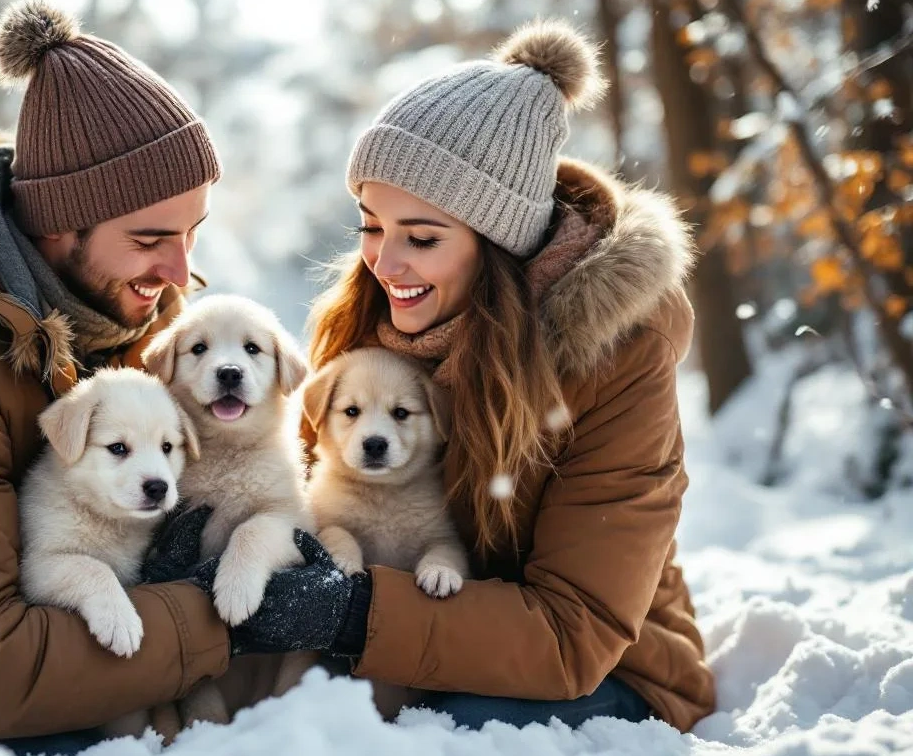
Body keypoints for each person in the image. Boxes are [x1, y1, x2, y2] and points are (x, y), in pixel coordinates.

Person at [0, 3, 357, 753]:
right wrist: (215, 618)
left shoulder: (131, 321)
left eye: (192, 234)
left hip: (114, 678)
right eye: (151, 239)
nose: (177, 272)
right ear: (58, 226)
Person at [296, 20, 718, 732]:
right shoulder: (367, 318)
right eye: (370, 225)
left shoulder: (619, 355)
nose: (384, 263)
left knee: (443, 726)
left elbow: (574, 632)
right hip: (408, 633)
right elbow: (325, 495)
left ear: (497, 243)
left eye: (421, 237)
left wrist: (354, 614)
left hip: (603, 667)